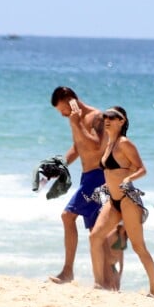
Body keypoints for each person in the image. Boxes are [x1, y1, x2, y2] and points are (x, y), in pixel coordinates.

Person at [88, 106, 154, 297]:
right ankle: (98, 284)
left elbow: (142, 169)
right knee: (95, 237)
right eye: (106, 116)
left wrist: (129, 179)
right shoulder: (110, 144)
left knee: (138, 247)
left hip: (128, 200)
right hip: (113, 201)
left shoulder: (124, 143)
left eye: (113, 117)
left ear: (122, 121)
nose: (107, 119)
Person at [49, 87, 106, 284]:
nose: (63, 115)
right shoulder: (77, 121)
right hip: (87, 176)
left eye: (63, 110)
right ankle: (104, 279)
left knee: (67, 216)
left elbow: (97, 146)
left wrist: (76, 124)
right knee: (95, 232)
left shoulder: (96, 117)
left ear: (70, 100)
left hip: (99, 177)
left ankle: (67, 271)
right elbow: (78, 147)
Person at [103, 223, 127, 291]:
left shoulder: (125, 234)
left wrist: (121, 269)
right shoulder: (113, 233)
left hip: (113, 265)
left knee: (117, 285)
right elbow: (104, 247)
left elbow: (121, 253)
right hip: (106, 265)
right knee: (109, 285)